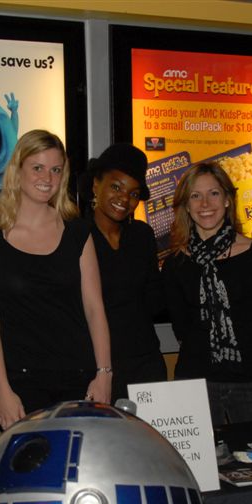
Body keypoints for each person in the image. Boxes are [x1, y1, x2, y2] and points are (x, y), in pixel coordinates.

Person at [0, 129, 113, 429]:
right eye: (37, 167)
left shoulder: (78, 233)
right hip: (21, 386)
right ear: (17, 170)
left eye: (56, 170)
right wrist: (2, 391)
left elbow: (95, 309)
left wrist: (104, 374)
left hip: (80, 379)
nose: (47, 178)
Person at [161, 161, 252, 425]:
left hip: (249, 381)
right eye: (195, 196)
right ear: (186, 206)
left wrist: (234, 360)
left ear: (227, 199)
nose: (205, 203)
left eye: (213, 193)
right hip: (194, 381)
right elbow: (182, 329)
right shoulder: (175, 264)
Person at [81, 143, 167, 402]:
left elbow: (154, 299)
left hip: (145, 362)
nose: (124, 199)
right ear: (96, 184)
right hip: (95, 366)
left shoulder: (142, 235)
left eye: (133, 193)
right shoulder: (76, 235)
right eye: (116, 187)